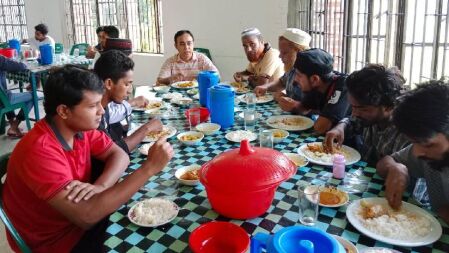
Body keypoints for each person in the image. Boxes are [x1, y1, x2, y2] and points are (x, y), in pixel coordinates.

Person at [1, 65, 174, 252]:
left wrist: (100, 186)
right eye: (92, 106)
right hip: (57, 242)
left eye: (100, 103)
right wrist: (148, 168)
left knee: (150, 213)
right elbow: (87, 217)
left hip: (80, 217)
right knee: (150, 239)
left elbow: (120, 155)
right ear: (64, 111)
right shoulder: (39, 151)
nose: (101, 111)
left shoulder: (79, 129)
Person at [376, 80, 449, 223]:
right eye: (415, 142)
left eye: (427, 144)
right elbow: (385, 163)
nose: (416, 153)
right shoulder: (429, 152)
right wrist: (396, 167)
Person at [323, 64, 409, 165]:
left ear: (388, 106)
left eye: (363, 109)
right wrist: (340, 127)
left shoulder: (405, 135)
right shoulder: (368, 117)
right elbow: (352, 122)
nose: (354, 114)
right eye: (352, 107)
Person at [94, 50, 161, 154]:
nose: (130, 90)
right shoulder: (94, 115)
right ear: (108, 83)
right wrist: (147, 128)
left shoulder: (105, 106)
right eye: (126, 84)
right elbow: (113, 152)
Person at [292, 48, 350, 134]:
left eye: (299, 75)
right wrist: (292, 105)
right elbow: (303, 109)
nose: (295, 79)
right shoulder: (318, 85)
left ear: (315, 79)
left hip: (349, 144)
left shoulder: (342, 86)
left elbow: (320, 127)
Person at [254, 28, 310, 112]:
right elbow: (281, 82)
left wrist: (295, 104)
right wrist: (265, 87)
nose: (280, 56)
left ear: (299, 52)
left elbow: (321, 107)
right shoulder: (292, 67)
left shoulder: (311, 72)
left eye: (284, 53)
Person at [0, 55, 33, 138]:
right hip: (2, 99)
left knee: (5, 95)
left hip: (2, 97)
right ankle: (14, 126)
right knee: (33, 95)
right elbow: (20, 66)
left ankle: (12, 124)